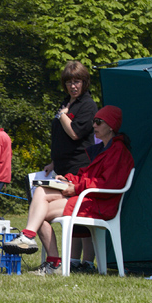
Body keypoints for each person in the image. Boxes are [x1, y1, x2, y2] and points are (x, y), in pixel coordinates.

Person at [4, 106, 134, 275]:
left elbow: (107, 184)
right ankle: (32, 240)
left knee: (39, 213)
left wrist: (76, 187)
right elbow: (87, 175)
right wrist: (68, 180)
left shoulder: (118, 151)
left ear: (111, 126)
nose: (94, 125)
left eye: (98, 122)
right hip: (89, 199)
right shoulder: (104, 149)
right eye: (94, 121)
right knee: (40, 194)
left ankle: (51, 260)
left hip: (101, 205)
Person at [43, 61, 98, 271]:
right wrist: (53, 162)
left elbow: (75, 133)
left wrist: (64, 115)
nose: (73, 86)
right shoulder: (65, 103)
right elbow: (60, 138)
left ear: (84, 82)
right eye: (69, 82)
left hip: (80, 166)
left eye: (77, 81)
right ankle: (74, 261)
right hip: (61, 167)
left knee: (80, 216)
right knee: (71, 217)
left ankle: (88, 262)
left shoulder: (88, 105)